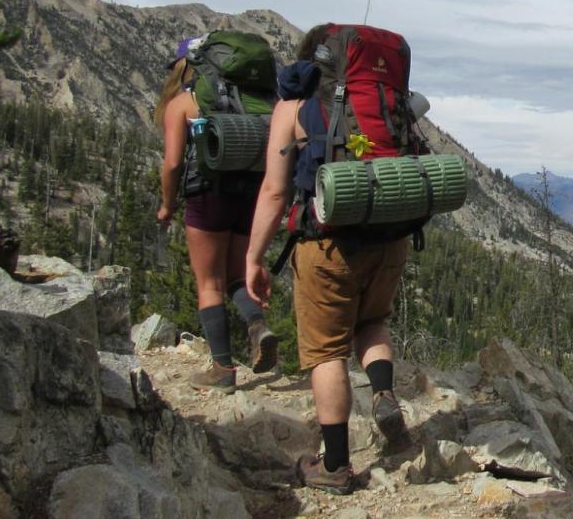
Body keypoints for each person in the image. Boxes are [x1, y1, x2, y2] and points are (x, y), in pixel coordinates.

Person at [245, 25, 410, 495]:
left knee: (326, 351)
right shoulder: (387, 104)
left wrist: (254, 258)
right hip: (390, 238)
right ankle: (382, 392)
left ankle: (335, 465)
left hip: (327, 245)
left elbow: (275, 190)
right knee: (373, 321)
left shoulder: (294, 110)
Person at [155, 37, 279, 392]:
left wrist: (167, 205)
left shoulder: (184, 103)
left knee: (209, 283)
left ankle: (222, 369)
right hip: (252, 194)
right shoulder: (254, 103)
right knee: (239, 274)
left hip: (207, 195)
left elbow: (174, 163)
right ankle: (258, 324)